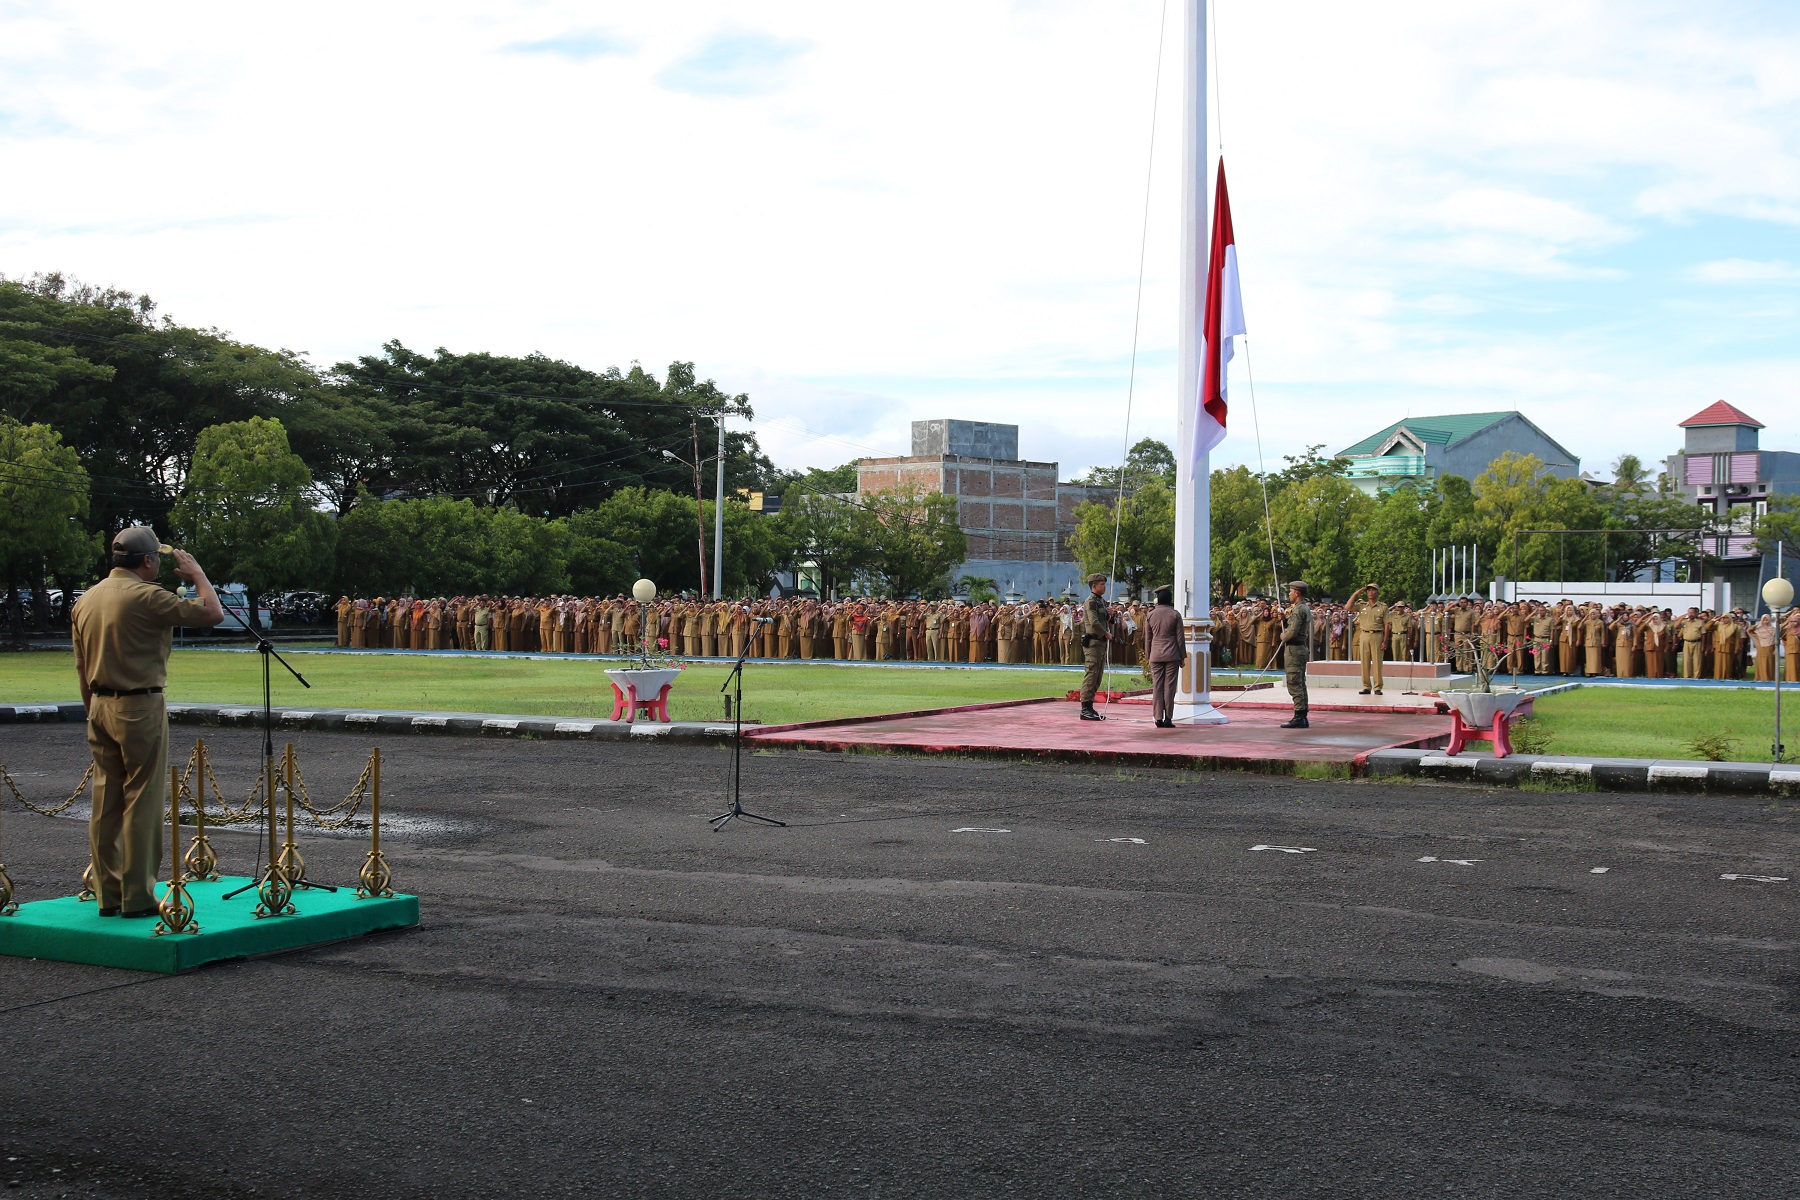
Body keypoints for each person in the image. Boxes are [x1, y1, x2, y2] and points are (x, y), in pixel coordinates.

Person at [70, 527, 225, 919]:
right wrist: (197, 574)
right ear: (148, 561)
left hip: (99, 704)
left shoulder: (86, 600)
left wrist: (93, 708)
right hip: (139, 706)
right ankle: (137, 895)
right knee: (142, 800)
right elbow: (213, 613)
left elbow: (81, 664)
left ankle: (108, 893)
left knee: (106, 801)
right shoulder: (147, 595)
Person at [1143, 584, 1183, 728]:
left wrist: (1148, 656)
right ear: (1170, 600)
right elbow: (1180, 638)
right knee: (1169, 687)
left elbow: (1147, 638)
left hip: (1155, 654)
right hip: (1172, 654)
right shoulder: (1175, 614)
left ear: (1158, 600)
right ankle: (1168, 718)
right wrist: (1182, 656)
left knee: (1157, 686)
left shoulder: (1150, 615)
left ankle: (1158, 718)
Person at [1278, 581, 1313, 729]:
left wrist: (1283, 637)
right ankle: (1302, 714)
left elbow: (1292, 632)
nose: (1289, 594)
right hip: (1299, 649)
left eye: (1291, 591)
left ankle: (1299, 716)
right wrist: (1285, 621)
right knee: (1300, 682)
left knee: (1294, 682)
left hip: (1294, 649)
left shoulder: (1298, 610)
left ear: (1297, 593)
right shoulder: (1302, 608)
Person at [1079, 572, 1113, 721]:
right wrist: (1105, 633)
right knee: (1091, 674)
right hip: (1093, 642)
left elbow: (1106, 620)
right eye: (1102, 584)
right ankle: (1085, 708)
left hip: (1100, 643)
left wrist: (1110, 615)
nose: (1104, 587)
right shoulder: (1091, 601)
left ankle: (1090, 706)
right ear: (1094, 586)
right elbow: (1093, 622)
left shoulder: (1102, 602)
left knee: (1097, 676)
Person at [1349, 584, 1388, 696]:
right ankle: (1366, 686)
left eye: (1373, 590)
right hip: (1364, 635)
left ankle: (1377, 687)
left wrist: (1385, 640)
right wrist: (1356, 593)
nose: (1370, 592)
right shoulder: (1362, 606)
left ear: (1377, 592)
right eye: (1369, 590)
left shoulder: (1383, 607)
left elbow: (1386, 625)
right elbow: (1348, 607)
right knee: (1364, 662)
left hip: (1377, 635)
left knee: (1377, 663)